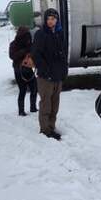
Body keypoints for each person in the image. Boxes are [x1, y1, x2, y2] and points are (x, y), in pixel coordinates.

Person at [31, 8, 68, 140]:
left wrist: (64, 70)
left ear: (57, 20)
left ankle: (52, 126)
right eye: (48, 19)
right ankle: (45, 129)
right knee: (46, 104)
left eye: (53, 19)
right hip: (45, 77)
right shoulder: (41, 34)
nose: (50, 21)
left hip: (58, 76)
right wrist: (45, 70)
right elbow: (36, 55)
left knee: (55, 104)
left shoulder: (59, 33)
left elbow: (63, 53)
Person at [9, 26, 38, 116]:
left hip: (29, 68)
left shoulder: (30, 44)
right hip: (19, 69)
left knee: (34, 88)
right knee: (22, 90)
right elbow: (12, 56)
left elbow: (35, 54)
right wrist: (24, 51)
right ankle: (21, 111)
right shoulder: (14, 44)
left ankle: (33, 107)